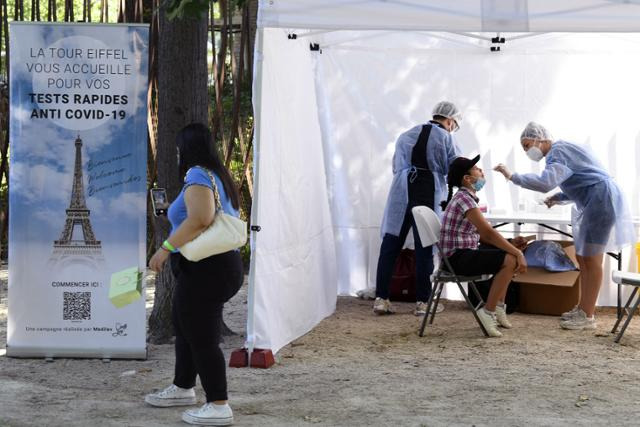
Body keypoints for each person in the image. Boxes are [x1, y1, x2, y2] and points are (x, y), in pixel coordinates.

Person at [494, 122, 636, 330]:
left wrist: (512, 176)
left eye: (527, 145)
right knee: (583, 258)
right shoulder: (561, 152)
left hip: (602, 201)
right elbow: (582, 179)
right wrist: (559, 197)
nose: (527, 151)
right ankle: (583, 308)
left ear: (539, 138)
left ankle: (587, 315)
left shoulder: (559, 151)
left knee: (591, 259)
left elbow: (545, 182)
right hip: (597, 199)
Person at [145, 123, 243, 426]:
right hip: (214, 265)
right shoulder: (217, 174)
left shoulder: (197, 173)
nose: (175, 153)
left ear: (186, 148)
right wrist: (169, 213)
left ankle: (218, 403)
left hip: (207, 268)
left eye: (177, 147)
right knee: (183, 323)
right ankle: (183, 386)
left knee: (202, 335)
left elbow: (201, 219)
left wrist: (164, 249)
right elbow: (196, 214)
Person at [374, 101, 462, 316]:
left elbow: (396, 165)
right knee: (425, 247)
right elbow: (455, 168)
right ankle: (423, 302)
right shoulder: (446, 137)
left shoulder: (406, 134)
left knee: (391, 244)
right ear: (450, 121)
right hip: (426, 191)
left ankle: (381, 298)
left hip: (401, 190)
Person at [440, 155, 528, 337]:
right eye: (477, 170)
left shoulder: (466, 198)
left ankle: (498, 307)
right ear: (467, 178)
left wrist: (511, 244)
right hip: (456, 258)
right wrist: (517, 252)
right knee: (510, 259)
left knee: (509, 255)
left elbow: (483, 235)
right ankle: (488, 312)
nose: (481, 172)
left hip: (462, 254)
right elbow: (487, 234)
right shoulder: (464, 199)